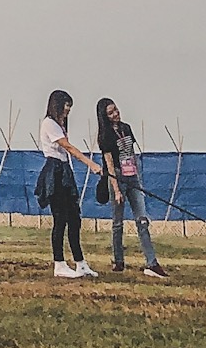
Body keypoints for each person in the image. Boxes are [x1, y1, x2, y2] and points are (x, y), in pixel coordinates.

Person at [96, 97, 167, 279]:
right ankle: (118, 260)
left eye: (116, 110)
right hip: (117, 176)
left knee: (142, 220)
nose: (115, 114)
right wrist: (117, 189)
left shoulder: (126, 128)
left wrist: (137, 179)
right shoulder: (104, 135)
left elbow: (132, 154)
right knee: (118, 222)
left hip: (132, 175)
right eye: (110, 113)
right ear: (104, 116)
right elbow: (109, 163)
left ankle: (152, 263)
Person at [37, 89, 99, 279]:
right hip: (54, 171)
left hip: (64, 170)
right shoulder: (49, 124)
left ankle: (80, 263)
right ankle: (59, 264)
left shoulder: (59, 125)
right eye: (66, 107)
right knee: (60, 219)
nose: (68, 112)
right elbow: (68, 147)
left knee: (74, 219)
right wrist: (91, 163)